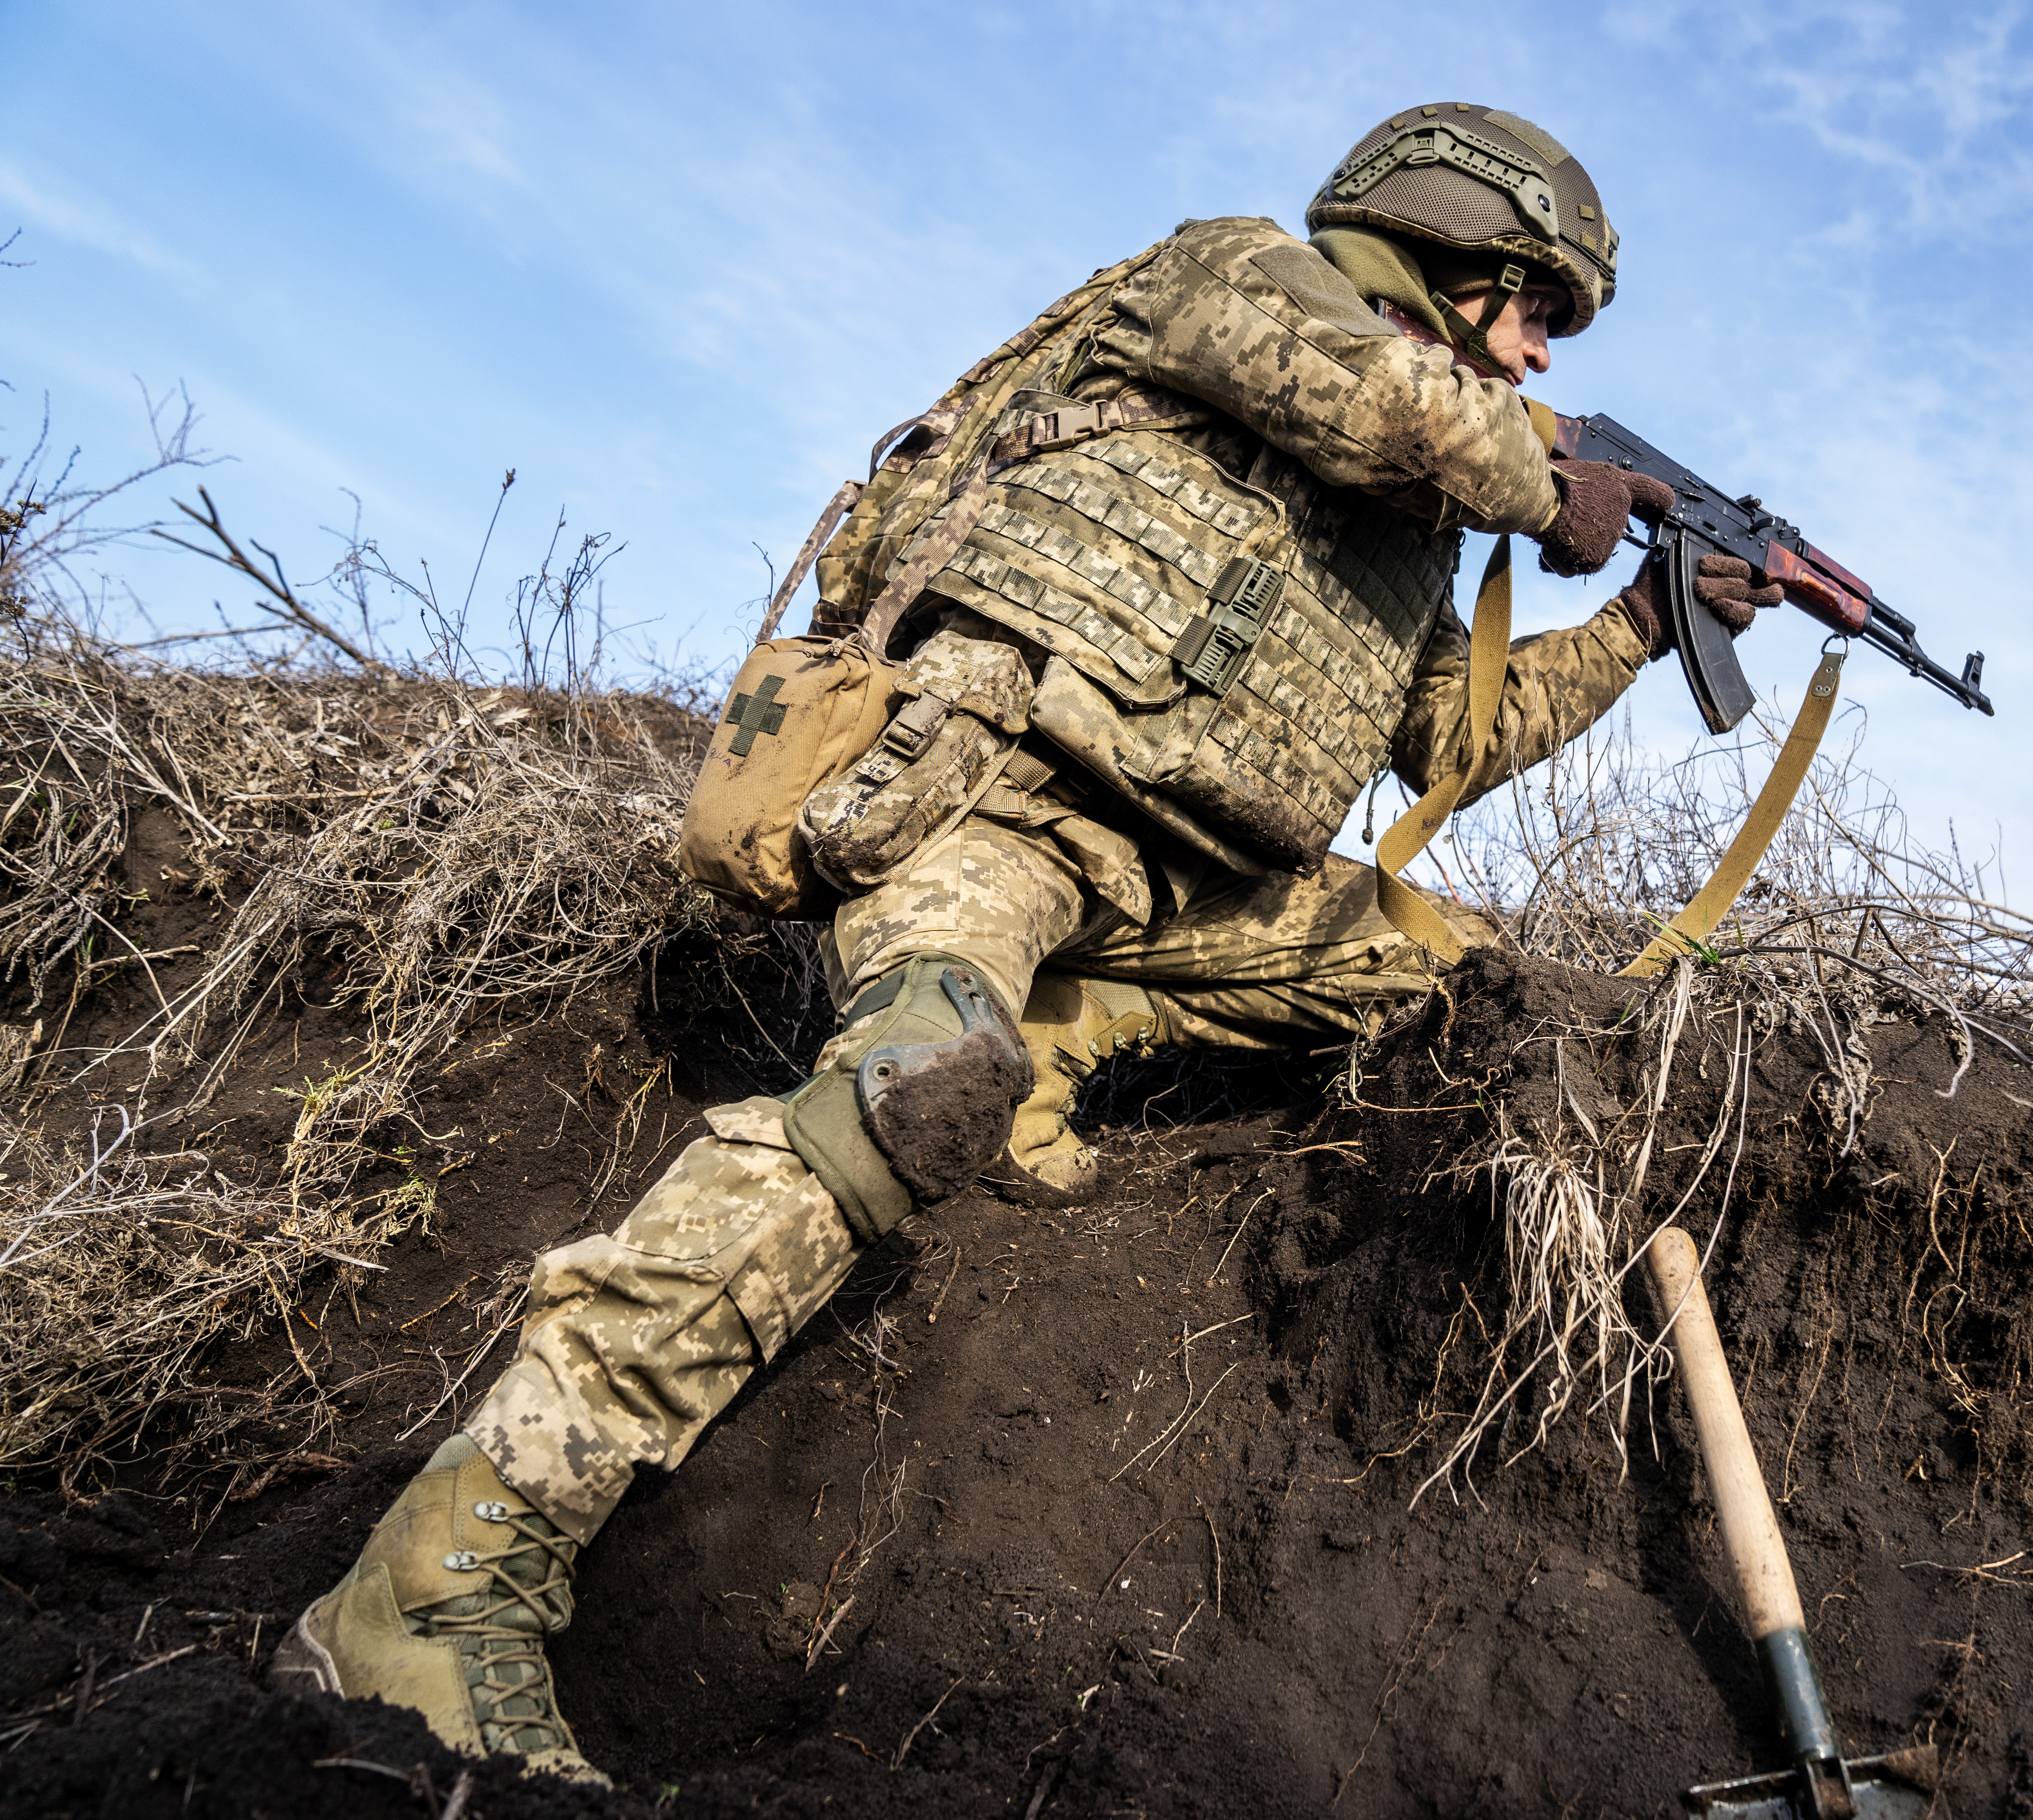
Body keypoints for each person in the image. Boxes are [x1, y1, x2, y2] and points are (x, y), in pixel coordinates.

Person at [268, 102, 1776, 1779]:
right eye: (1536, 300)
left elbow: (1451, 741)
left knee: (1466, 983)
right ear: (1449, 235)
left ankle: (1058, 1042)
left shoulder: (1418, 507)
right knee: (912, 1088)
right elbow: (1386, 402)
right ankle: (433, 1583)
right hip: (991, 818)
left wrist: (1649, 621)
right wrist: (1555, 479)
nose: (1543, 344)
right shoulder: (1231, 279)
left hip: (1185, 892)